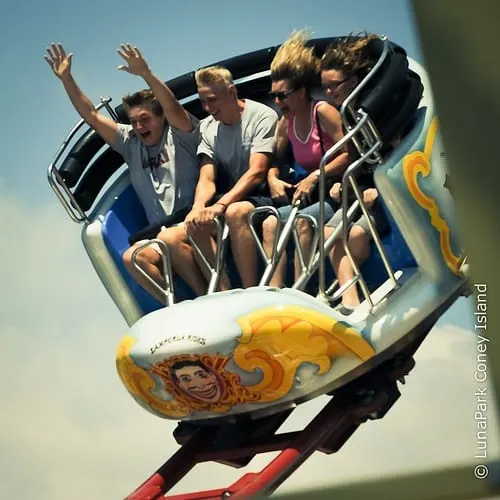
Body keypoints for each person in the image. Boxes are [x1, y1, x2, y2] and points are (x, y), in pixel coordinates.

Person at [45, 43, 200, 304]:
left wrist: (146, 74)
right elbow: (92, 115)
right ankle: (180, 307)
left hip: (193, 222)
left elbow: (172, 106)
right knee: (133, 258)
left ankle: (209, 297)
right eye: (134, 121)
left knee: (170, 239)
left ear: (160, 118)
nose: (139, 126)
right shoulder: (131, 142)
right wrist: (67, 79)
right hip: (160, 233)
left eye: (145, 119)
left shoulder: (181, 134)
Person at [157, 65, 278, 294]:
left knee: (235, 212)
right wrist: (198, 207)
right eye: (203, 102)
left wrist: (221, 205)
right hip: (228, 200)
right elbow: (207, 176)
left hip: (263, 195)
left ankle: (252, 292)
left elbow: (257, 172)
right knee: (184, 230)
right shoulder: (207, 127)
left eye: (212, 100)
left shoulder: (263, 116)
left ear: (231, 92)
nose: (207, 108)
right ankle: (224, 294)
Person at [261, 30, 350, 287]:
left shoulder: (322, 112)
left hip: (337, 190)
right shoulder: (285, 123)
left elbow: (349, 153)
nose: (277, 101)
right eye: (274, 96)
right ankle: (273, 291)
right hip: (311, 193)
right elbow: (274, 160)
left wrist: (315, 176)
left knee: (302, 222)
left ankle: (301, 291)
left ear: (300, 92)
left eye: (282, 95)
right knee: (270, 223)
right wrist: (273, 178)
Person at [320, 33, 390, 315]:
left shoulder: (378, 107)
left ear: (352, 80)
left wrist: (380, 189)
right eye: (324, 87)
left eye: (333, 85)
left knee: (357, 237)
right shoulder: (347, 113)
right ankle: (349, 298)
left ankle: (349, 298)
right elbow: (355, 159)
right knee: (329, 232)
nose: (329, 93)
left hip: (386, 191)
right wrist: (341, 182)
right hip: (361, 190)